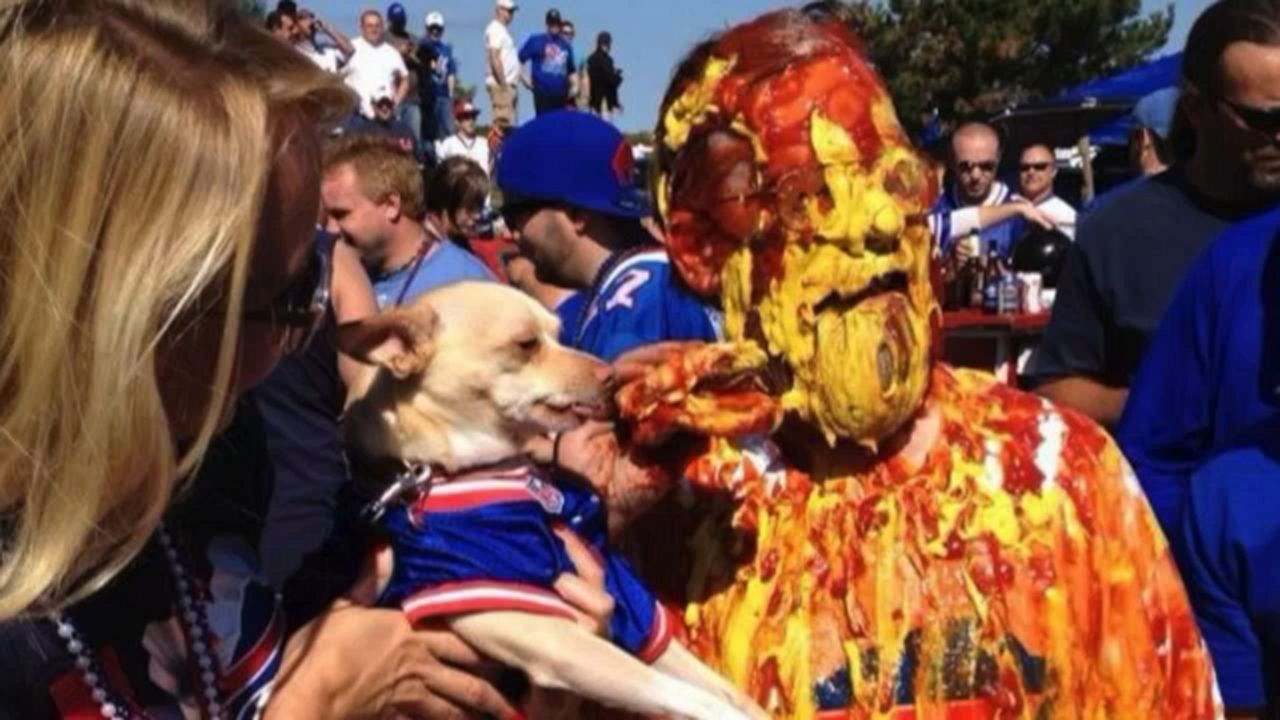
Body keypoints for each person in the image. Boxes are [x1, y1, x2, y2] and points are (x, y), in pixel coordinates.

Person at [537, 7, 1220, 716]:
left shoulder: (1055, 472)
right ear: (703, 248)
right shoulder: (674, 502)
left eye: (894, 178)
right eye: (806, 196)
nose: (877, 221)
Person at [0, 1, 570, 717]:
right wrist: (317, 701)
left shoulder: (209, 459)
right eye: (292, 289)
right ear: (125, 313)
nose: (315, 322)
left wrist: (511, 565)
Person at [1026, 0, 1280, 428]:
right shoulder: (1117, 231)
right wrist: (1161, 402)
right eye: (1263, 120)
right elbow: (1053, 391)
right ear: (1197, 110)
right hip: (1169, 487)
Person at [495, 111, 720, 361]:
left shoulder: (632, 308)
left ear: (575, 215)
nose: (509, 233)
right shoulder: (659, 275)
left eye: (514, 215)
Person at [322, 135, 493, 309]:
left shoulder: (468, 283)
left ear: (391, 205)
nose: (330, 228)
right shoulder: (331, 281)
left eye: (340, 214)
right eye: (325, 216)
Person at [929, 121, 1053, 259]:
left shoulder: (1021, 216)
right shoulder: (936, 206)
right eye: (965, 166)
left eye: (986, 166)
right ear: (952, 161)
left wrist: (992, 261)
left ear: (998, 159)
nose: (975, 175)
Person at [343, 9, 408, 119]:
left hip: (386, 115)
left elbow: (405, 79)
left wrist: (395, 102)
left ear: (382, 27)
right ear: (362, 28)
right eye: (370, 26)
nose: (374, 29)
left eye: (377, 26)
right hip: (357, 116)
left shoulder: (391, 52)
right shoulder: (350, 47)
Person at [519, 8, 577, 117]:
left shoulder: (566, 46)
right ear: (546, 24)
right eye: (552, 23)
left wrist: (575, 86)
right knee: (544, 125)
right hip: (542, 93)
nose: (554, 26)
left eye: (557, 23)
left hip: (561, 95)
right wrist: (524, 79)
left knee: (559, 126)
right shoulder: (536, 40)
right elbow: (519, 60)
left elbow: (571, 70)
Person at [1018, 143, 1077, 239]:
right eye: (1025, 167)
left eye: (1040, 167)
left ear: (1053, 171)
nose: (1031, 172)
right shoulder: (1011, 208)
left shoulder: (1065, 215)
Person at [384, 2, 422, 144]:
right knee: (395, 138)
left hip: (413, 98)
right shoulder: (383, 38)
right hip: (393, 98)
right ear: (390, 20)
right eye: (396, 21)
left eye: (402, 20)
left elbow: (421, 63)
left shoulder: (413, 39)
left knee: (414, 137)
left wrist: (409, 55)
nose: (400, 24)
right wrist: (398, 53)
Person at [418, 11, 458, 147]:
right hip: (429, 96)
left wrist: (451, 95)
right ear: (427, 29)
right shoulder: (422, 46)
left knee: (448, 130)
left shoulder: (446, 49)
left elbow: (451, 72)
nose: (435, 32)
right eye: (432, 28)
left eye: (438, 29)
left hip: (444, 95)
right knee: (430, 131)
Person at [340, 89, 418, 157]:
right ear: (373, 106)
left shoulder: (404, 130)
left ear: (393, 105)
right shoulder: (362, 131)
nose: (385, 108)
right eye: (380, 104)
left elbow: (413, 154)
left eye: (388, 104)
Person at [485, 0, 521, 127]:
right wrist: (503, 84)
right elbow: (494, 57)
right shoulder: (495, 29)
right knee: (502, 124)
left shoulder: (503, 31)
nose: (511, 15)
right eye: (508, 11)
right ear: (499, 10)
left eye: (512, 12)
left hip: (509, 84)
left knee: (510, 123)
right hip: (501, 84)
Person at [435, 99, 491, 174]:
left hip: (481, 184)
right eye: (466, 117)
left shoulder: (485, 143)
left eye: (473, 117)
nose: (471, 121)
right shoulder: (448, 144)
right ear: (457, 122)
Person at [293, 7, 354, 74]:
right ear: (295, 26)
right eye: (302, 17)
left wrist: (328, 29)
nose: (309, 20)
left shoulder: (327, 50)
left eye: (311, 16)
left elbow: (350, 50)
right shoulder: (293, 52)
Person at [587, 31, 623, 120]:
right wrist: (618, 77)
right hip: (604, 103)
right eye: (606, 43)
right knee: (604, 128)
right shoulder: (606, 60)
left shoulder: (591, 59)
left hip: (592, 102)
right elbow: (611, 81)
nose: (606, 46)